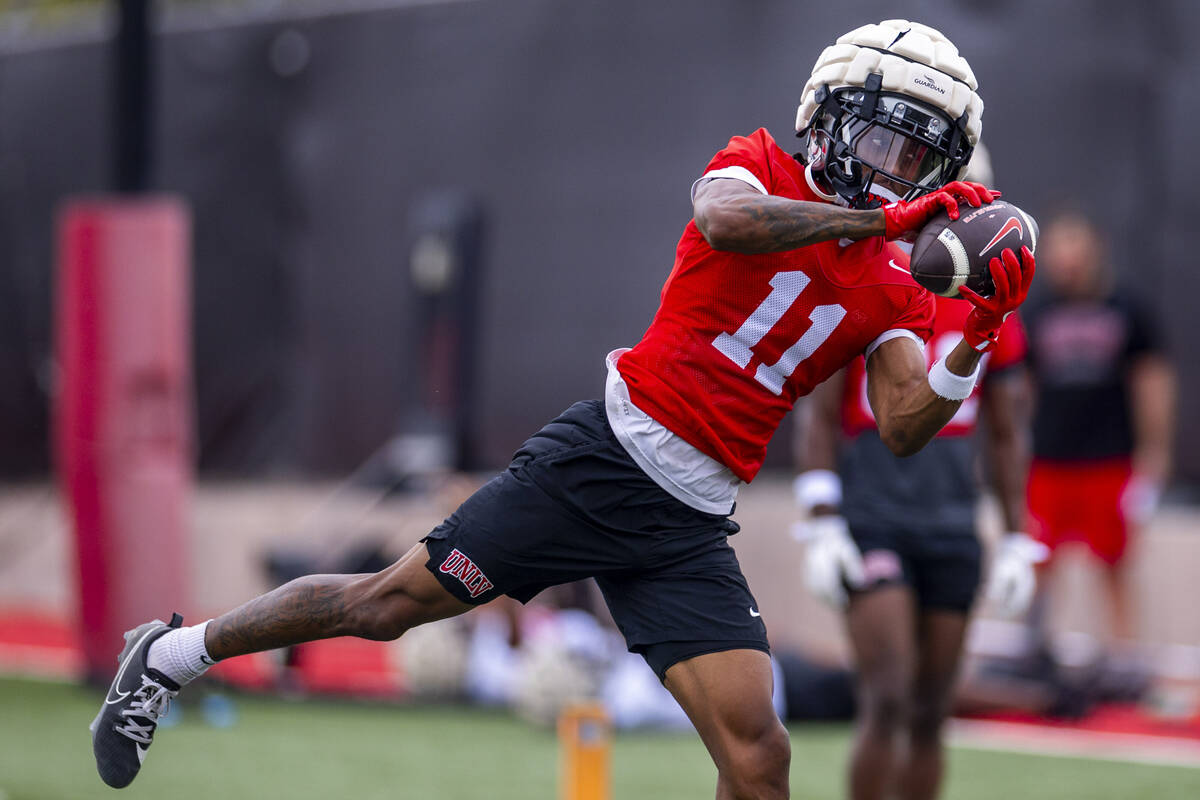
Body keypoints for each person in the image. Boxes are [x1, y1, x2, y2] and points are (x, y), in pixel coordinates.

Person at [90, 19, 1034, 798]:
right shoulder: (756, 166)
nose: (894, 167)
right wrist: (877, 220)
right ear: (826, 120)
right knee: (384, 606)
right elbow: (725, 223)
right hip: (602, 463)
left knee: (760, 758)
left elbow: (906, 424)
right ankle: (171, 654)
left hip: (692, 520)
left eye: (917, 155)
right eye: (883, 136)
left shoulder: (898, 286)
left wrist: (977, 332)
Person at [793, 170, 1043, 800]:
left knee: (932, 710)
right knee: (887, 694)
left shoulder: (996, 307)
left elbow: (1007, 433)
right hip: (874, 510)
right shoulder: (877, 282)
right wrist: (819, 519)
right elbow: (820, 416)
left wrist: (1017, 537)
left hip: (953, 519)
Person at [1022, 212, 1176, 649]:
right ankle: (1034, 653)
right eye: (1057, 248)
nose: (1065, 258)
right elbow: (1022, 390)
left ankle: (1123, 655)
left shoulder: (1128, 309)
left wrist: (1155, 453)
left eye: (1074, 245)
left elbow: (1153, 383)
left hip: (1110, 460)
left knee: (1113, 564)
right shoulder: (1036, 313)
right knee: (1037, 563)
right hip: (1048, 461)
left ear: (1094, 248)